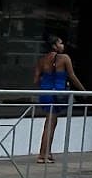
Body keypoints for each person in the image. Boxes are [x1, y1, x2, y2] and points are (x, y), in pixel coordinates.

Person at [33, 36, 86, 165]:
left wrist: (46, 81)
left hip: (45, 93)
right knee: (50, 124)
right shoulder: (64, 58)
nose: (63, 45)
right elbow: (72, 76)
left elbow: (35, 80)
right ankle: (43, 154)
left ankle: (47, 152)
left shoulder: (42, 60)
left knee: (51, 122)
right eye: (60, 43)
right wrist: (84, 91)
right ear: (54, 46)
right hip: (57, 94)